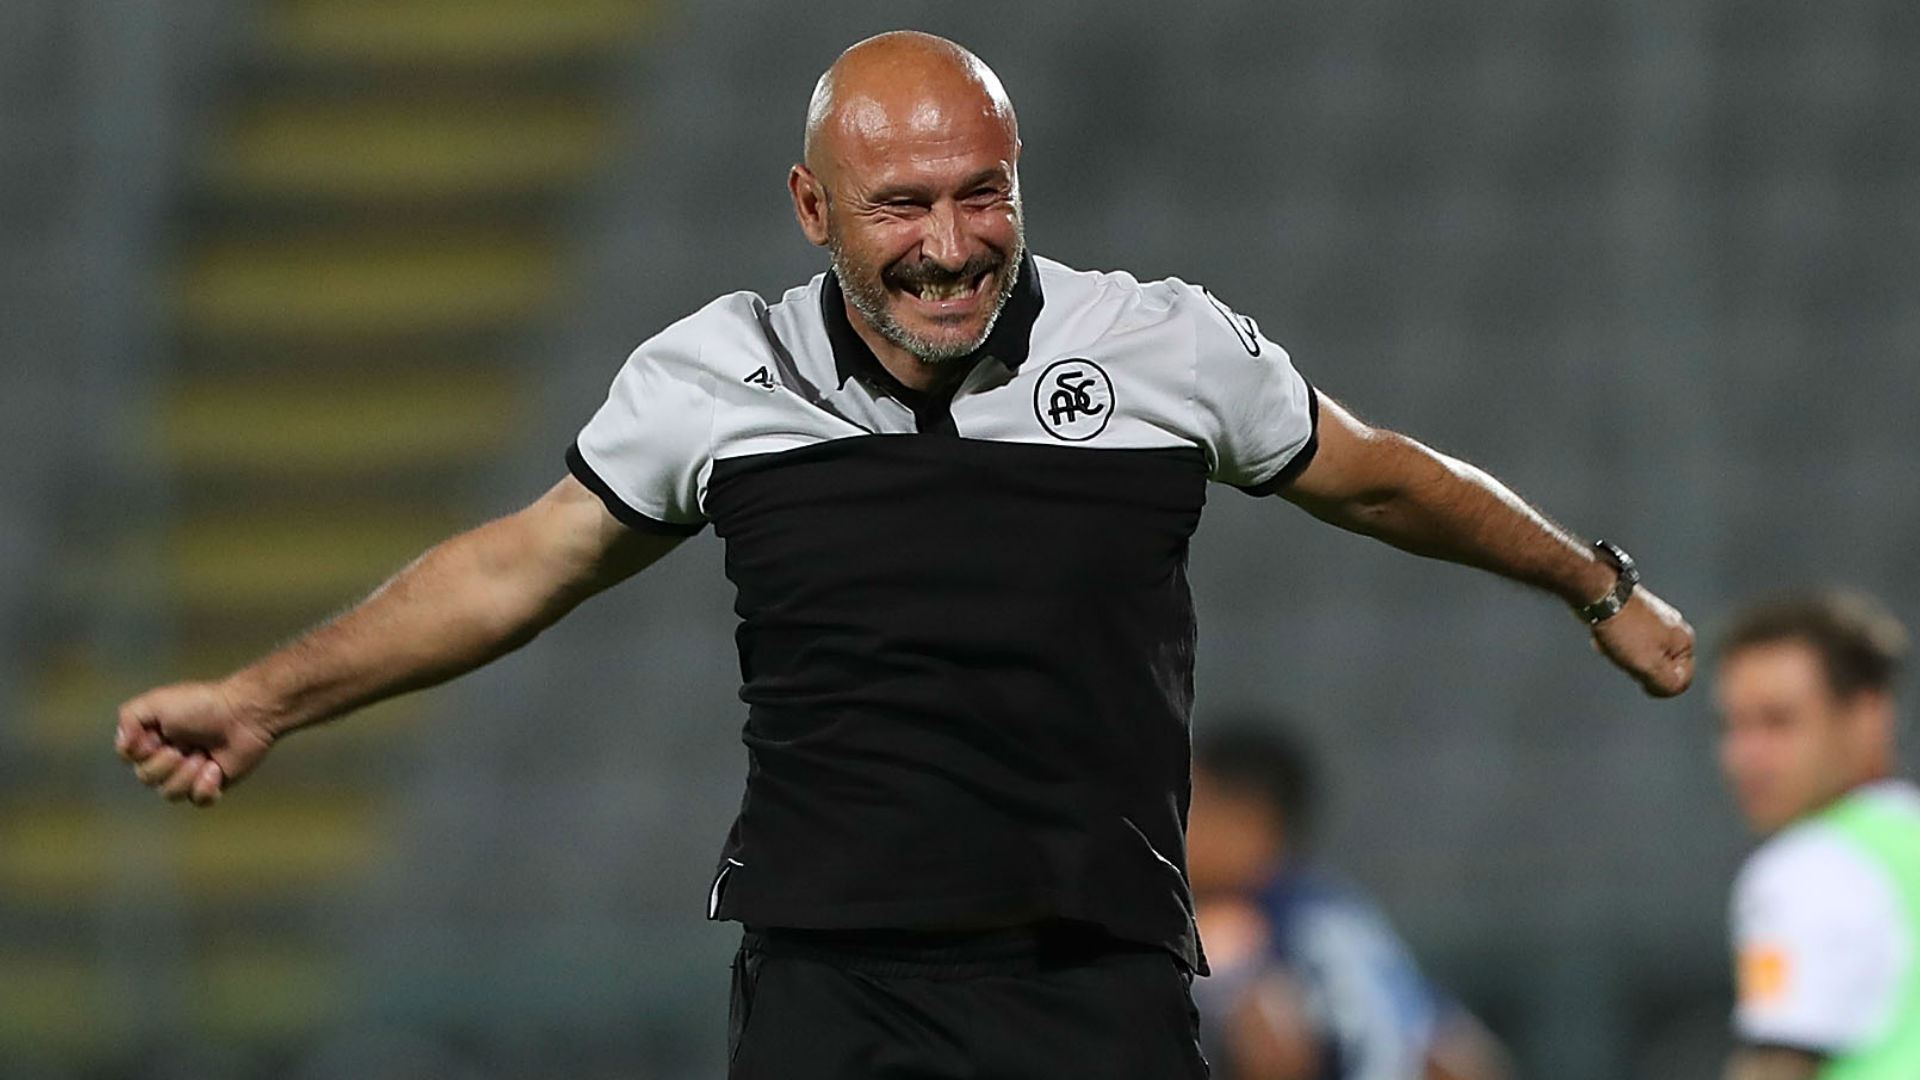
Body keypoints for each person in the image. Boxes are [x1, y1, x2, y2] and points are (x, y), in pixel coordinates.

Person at [115, 30, 1694, 1079]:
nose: (949, 243)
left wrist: (1590, 582)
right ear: (813, 206)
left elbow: (1382, 479)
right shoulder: (715, 377)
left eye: (980, 193)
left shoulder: (1156, 346)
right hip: (833, 989)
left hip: (1095, 980)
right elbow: (513, 571)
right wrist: (267, 699)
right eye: (901, 204)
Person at [1189, 718, 1513, 1080]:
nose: (1179, 823)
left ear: (1246, 818)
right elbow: (1466, 1059)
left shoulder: (1239, 926)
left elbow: (1275, 1043)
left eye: (1193, 803)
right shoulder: (1348, 916)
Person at [1715, 591, 1920, 1080]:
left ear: (1868, 719)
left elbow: (1777, 1068)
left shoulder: (1806, 868)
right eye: (1732, 725)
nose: (1746, 754)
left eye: (1777, 722)